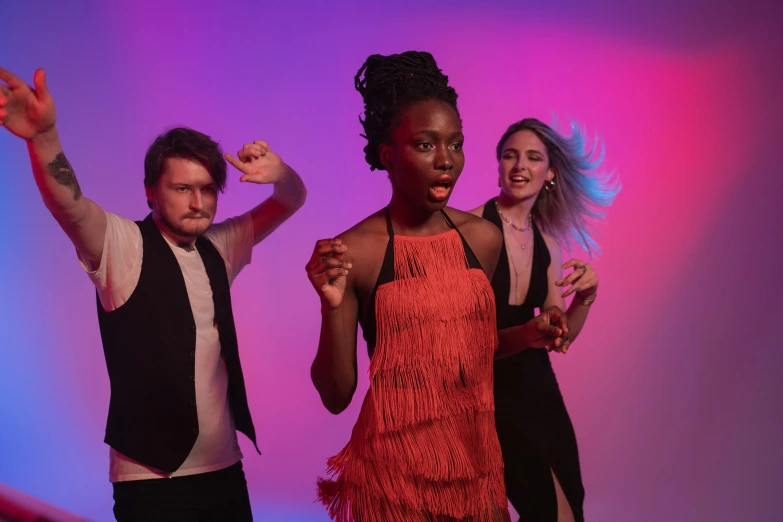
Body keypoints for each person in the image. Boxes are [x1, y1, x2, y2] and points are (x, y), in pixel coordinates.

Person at [0, 66, 307, 521]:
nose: (198, 203)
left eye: (207, 189)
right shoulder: (123, 245)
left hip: (225, 469)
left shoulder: (221, 246)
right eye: (182, 188)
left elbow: (290, 199)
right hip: (150, 481)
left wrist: (281, 172)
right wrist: (44, 138)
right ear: (150, 191)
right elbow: (70, 207)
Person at [304, 51, 571, 522]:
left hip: (477, 470)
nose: (446, 161)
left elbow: (470, 349)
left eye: (456, 144)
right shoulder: (355, 252)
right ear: (389, 155)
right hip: (392, 482)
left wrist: (530, 334)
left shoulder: (484, 240)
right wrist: (331, 307)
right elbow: (336, 395)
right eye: (426, 146)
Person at [469, 117, 619, 522]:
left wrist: (586, 297)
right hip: (488, 393)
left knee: (571, 506)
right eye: (509, 156)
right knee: (547, 511)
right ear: (498, 165)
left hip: (540, 390)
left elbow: (559, 337)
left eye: (533, 157)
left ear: (550, 172)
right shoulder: (467, 230)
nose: (519, 166)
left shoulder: (547, 243)